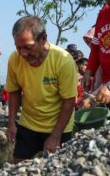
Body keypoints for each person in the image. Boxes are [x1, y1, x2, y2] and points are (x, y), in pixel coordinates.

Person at [5, 16, 78, 164]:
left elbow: (69, 102)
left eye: (28, 47)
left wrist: (56, 136)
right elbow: (13, 92)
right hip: (29, 123)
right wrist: (12, 122)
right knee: (18, 164)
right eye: (18, 47)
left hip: (59, 125)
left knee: (56, 168)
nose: (23, 53)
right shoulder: (14, 59)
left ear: (43, 39)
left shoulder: (63, 61)